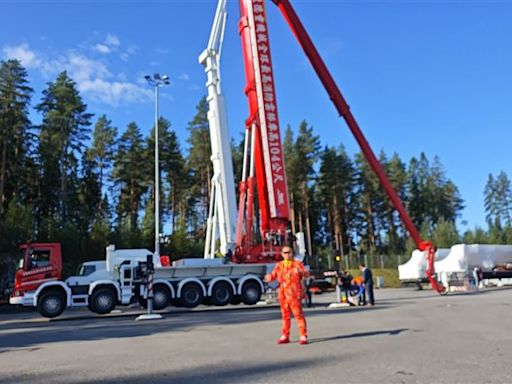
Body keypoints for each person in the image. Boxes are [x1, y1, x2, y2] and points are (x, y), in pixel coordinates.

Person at [264, 245, 310, 345]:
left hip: (294, 294)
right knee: (285, 316)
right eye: (285, 252)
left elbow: (306, 274)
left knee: (298, 315)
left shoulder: (297, 264)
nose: (287, 254)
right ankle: (285, 335)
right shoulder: (279, 265)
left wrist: (304, 273)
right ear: (282, 254)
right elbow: (273, 276)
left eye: (289, 252)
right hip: (283, 294)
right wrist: (268, 277)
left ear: (292, 253)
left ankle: (303, 335)